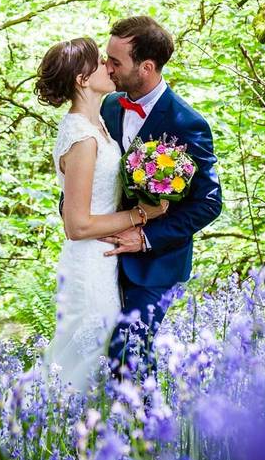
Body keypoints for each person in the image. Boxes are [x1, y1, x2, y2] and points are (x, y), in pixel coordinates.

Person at [34, 37, 167, 390]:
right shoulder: (83, 137)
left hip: (103, 259)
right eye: (100, 63)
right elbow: (76, 224)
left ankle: (79, 434)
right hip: (89, 260)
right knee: (82, 359)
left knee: (97, 357)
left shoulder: (98, 125)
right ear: (82, 79)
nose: (110, 67)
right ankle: (48, 427)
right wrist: (142, 215)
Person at [98, 16, 222, 379]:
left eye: (115, 61)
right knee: (97, 346)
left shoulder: (187, 123)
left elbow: (209, 203)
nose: (106, 67)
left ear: (146, 67)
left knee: (128, 350)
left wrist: (146, 237)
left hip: (156, 264)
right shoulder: (107, 106)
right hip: (102, 252)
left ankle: (147, 430)